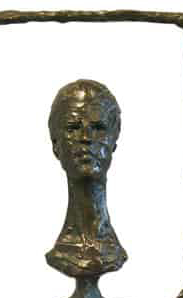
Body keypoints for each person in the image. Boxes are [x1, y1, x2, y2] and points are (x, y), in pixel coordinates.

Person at [46, 79, 128, 278]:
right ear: (56, 144)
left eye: (98, 128)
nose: (85, 137)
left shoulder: (111, 249)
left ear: (113, 141)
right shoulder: (65, 249)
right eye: (73, 128)